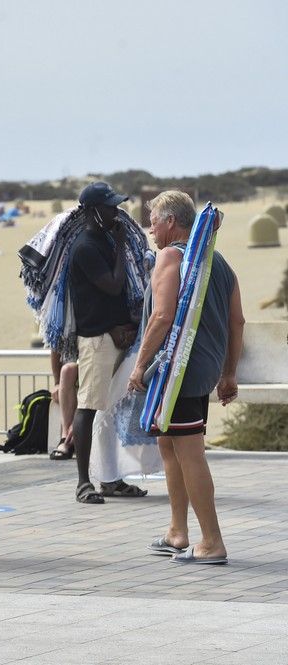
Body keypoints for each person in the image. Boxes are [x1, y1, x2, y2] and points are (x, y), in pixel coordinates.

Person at [128, 191, 243, 565]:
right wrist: (228, 372)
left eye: (153, 221)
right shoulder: (218, 263)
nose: (150, 228)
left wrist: (138, 365)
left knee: (190, 452)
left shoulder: (170, 256)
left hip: (177, 372)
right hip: (203, 369)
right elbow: (236, 321)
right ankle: (178, 532)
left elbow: (161, 316)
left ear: (171, 222)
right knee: (170, 446)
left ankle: (212, 541)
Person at [67, 182, 146, 504]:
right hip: (96, 340)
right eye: (110, 207)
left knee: (110, 410)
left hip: (114, 335)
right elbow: (113, 286)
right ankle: (83, 482)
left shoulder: (103, 240)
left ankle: (111, 479)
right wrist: (121, 248)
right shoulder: (86, 246)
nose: (117, 212)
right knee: (88, 406)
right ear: (92, 211)